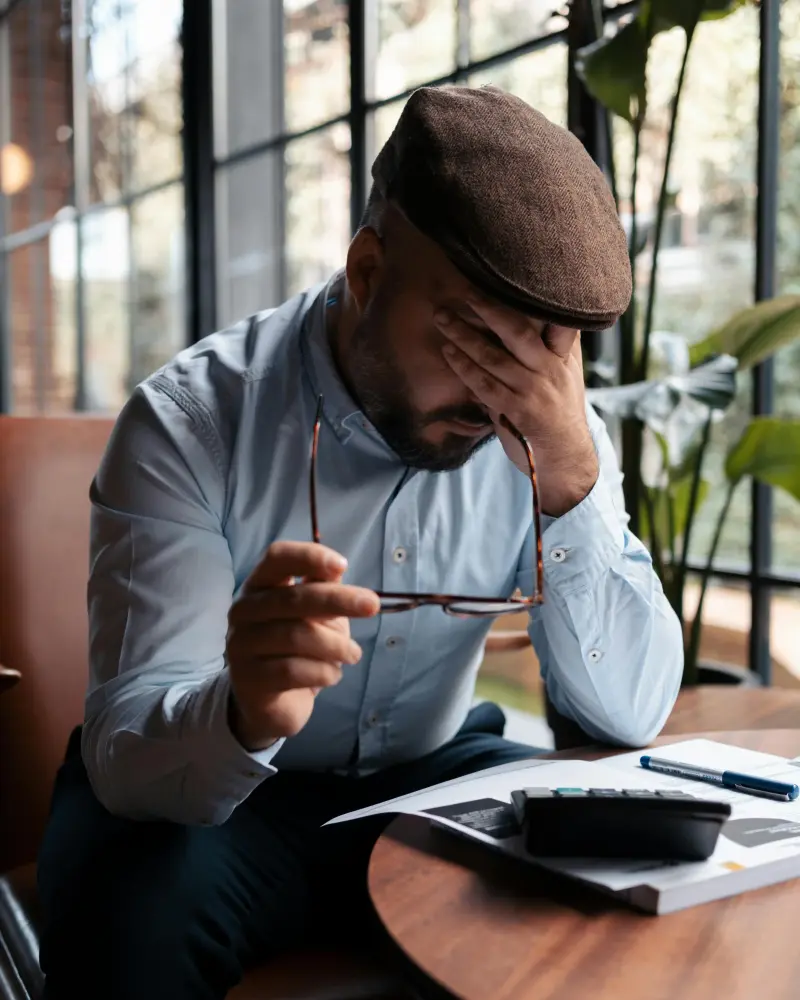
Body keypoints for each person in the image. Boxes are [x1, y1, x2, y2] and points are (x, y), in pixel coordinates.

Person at [37, 85, 683, 999]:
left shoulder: (548, 428)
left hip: (431, 777)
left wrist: (572, 483)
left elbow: (632, 713)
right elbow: (130, 745)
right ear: (369, 273)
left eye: (534, 351)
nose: (497, 392)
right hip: (216, 800)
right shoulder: (190, 423)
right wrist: (243, 707)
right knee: (127, 920)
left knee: (607, 890)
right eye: (470, 338)